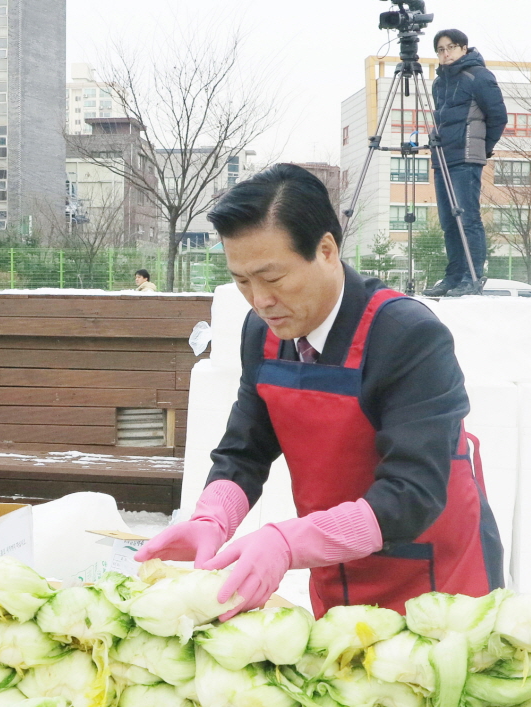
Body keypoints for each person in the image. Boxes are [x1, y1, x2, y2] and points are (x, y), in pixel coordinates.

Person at [135, 164, 502, 619]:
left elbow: (413, 494)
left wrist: (288, 542)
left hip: (438, 582)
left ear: (326, 250)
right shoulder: (262, 333)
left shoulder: (407, 335)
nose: (259, 300)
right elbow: (245, 451)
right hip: (336, 567)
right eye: (242, 281)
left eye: (272, 278)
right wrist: (212, 518)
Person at [422, 29, 507, 298]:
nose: (445, 54)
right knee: (448, 221)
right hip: (443, 159)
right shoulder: (439, 83)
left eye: (450, 48)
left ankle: (472, 275)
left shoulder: (479, 76)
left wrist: (484, 148)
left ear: (463, 48)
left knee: (467, 218)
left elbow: (499, 117)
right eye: (440, 50)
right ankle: (453, 276)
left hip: (466, 157)